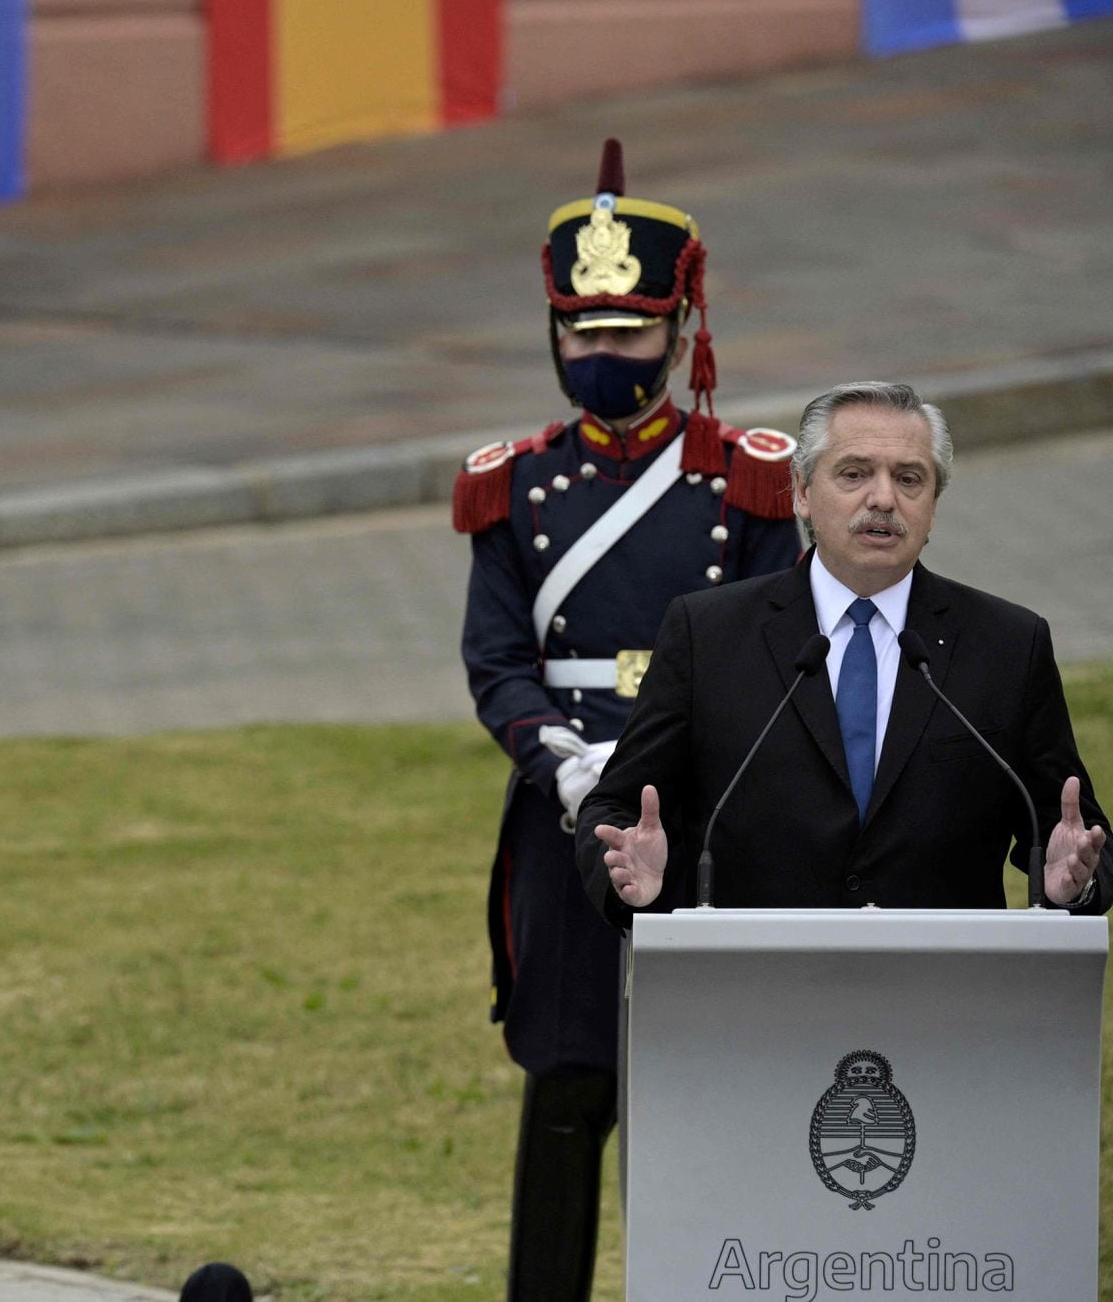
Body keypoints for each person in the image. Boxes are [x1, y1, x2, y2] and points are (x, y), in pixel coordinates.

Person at [451, 139, 801, 1300]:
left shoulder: (744, 480)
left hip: (699, 815)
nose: (602, 355)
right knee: (566, 1084)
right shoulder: (513, 485)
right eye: (582, 333)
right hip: (565, 825)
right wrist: (555, 756)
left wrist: (659, 757)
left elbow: (773, 647)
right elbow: (496, 656)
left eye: (628, 332)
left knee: (699, 1090)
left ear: (678, 332)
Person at [578, 379, 1110, 921]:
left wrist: (1076, 886)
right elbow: (617, 806)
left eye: (909, 479)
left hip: (941, 990)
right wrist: (630, 880)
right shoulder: (706, 634)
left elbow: (1073, 832)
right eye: (854, 474)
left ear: (934, 503)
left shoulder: (1008, 644)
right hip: (753, 985)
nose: (883, 498)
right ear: (803, 491)